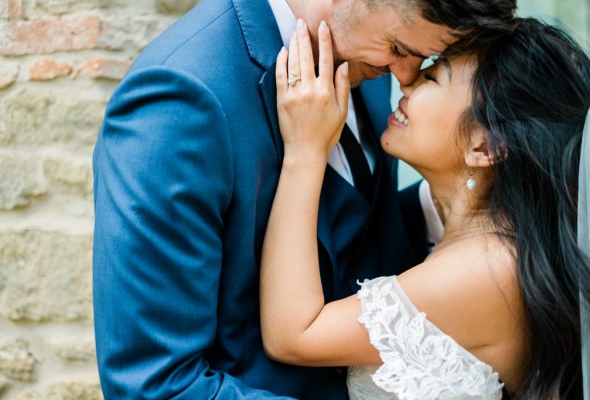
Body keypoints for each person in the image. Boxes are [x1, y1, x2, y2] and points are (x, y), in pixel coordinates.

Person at [92, 0, 517, 398]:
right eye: (400, 48)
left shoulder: (366, 69)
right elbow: (157, 385)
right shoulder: (181, 97)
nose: (406, 75)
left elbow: (359, 236)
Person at [260, 17, 590, 399]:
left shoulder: (487, 270)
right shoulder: (478, 222)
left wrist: (305, 151)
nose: (407, 81)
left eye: (434, 78)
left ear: (484, 148)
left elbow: (293, 336)